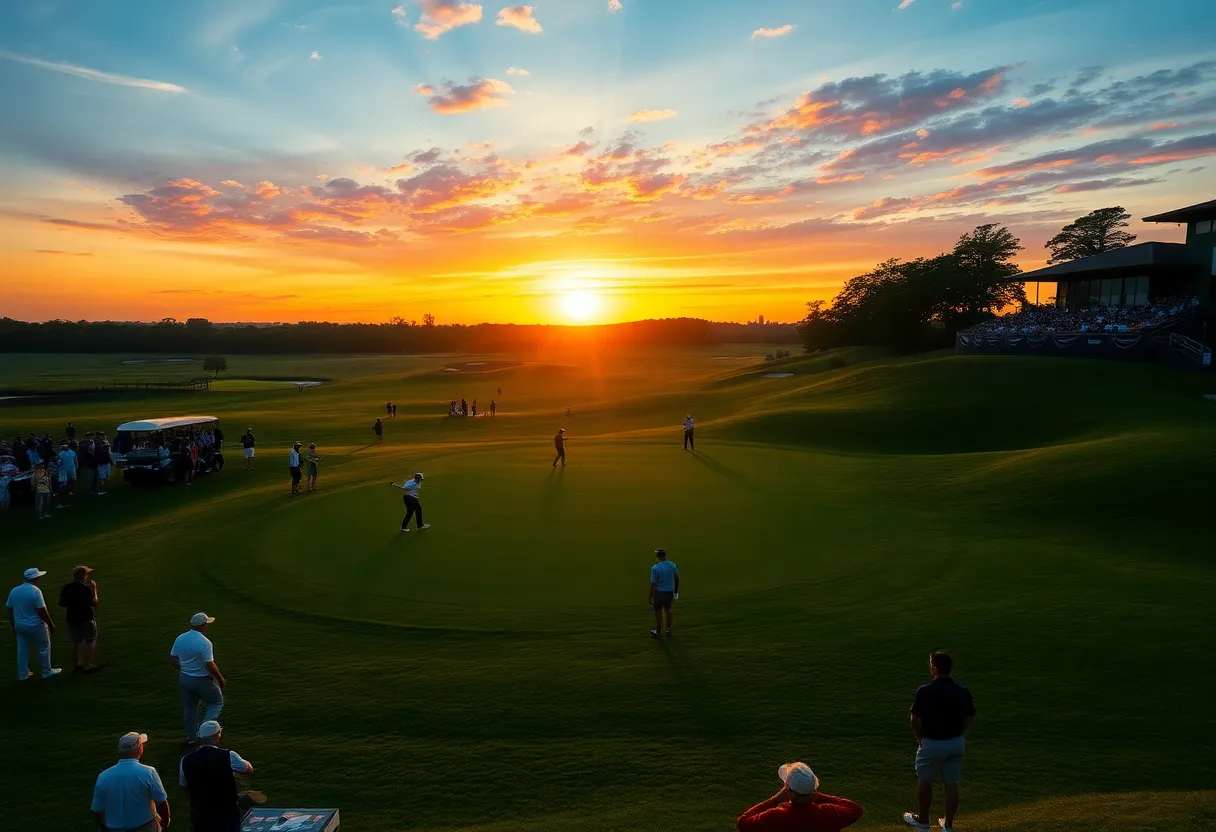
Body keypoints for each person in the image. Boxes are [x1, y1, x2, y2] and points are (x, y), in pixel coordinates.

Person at [903, 651, 976, 832]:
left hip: (932, 743)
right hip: (955, 743)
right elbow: (969, 719)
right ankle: (948, 825)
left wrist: (920, 738)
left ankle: (923, 821)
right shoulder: (962, 691)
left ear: (934, 668)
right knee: (952, 783)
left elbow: (915, 720)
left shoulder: (925, 691)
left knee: (925, 780)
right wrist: (958, 733)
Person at [179, 720, 266, 832]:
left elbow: (184, 785)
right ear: (216, 736)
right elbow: (248, 770)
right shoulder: (228, 755)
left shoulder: (185, 759)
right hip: (226, 812)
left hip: (200, 812)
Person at [736, 762, 864, 831]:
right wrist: (820, 797)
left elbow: (743, 823)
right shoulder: (828, 813)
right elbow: (855, 809)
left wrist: (774, 800)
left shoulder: (776, 816)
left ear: (787, 789)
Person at [91, 732, 172, 832]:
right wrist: (166, 821)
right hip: (146, 827)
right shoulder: (148, 773)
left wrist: (103, 827)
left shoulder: (103, 777)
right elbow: (161, 801)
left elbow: (97, 809)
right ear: (140, 749)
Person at [170, 613, 227, 746]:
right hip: (202, 680)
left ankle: (191, 737)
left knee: (190, 707)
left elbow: (172, 657)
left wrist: (182, 669)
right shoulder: (204, 642)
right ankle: (205, 733)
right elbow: (210, 664)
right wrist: (221, 679)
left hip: (185, 678)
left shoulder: (181, 638)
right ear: (202, 625)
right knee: (216, 703)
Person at [7, 567, 62, 679]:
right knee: (44, 646)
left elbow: (9, 609)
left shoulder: (14, 591)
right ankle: (46, 671)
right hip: (36, 625)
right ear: (35, 579)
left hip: (20, 625)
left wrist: (13, 625)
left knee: (22, 649)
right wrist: (51, 624)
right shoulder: (35, 591)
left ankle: (23, 674)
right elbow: (42, 610)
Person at [59, 565, 105, 674]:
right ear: (84, 576)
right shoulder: (86, 588)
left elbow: (62, 604)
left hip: (71, 618)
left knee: (76, 642)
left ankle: (77, 665)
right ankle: (87, 665)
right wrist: (94, 589)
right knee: (90, 640)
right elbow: (94, 602)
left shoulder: (67, 588)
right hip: (86, 617)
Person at [648, 548, 679, 638]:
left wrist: (650, 596)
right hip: (669, 592)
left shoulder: (655, 568)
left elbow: (653, 583)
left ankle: (658, 630)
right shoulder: (672, 565)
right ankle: (669, 629)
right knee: (668, 610)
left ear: (658, 556)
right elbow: (677, 578)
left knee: (658, 611)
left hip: (659, 592)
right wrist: (676, 591)